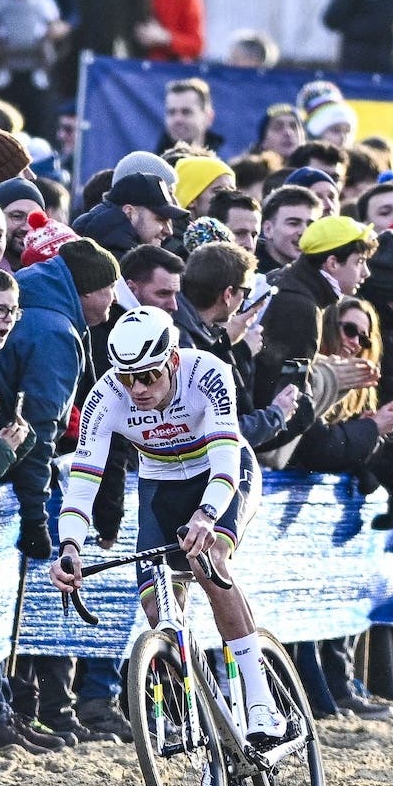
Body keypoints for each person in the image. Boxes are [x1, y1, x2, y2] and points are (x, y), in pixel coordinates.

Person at [49, 303, 294, 748]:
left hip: (221, 472)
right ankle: (208, 723)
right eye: (128, 378)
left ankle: (260, 698)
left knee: (209, 559)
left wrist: (207, 515)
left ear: (173, 361)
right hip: (161, 484)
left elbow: (225, 457)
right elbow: (84, 481)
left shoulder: (208, 373)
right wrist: (69, 547)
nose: (138, 389)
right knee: (157, 608)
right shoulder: (107, 396)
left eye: (149, 376)